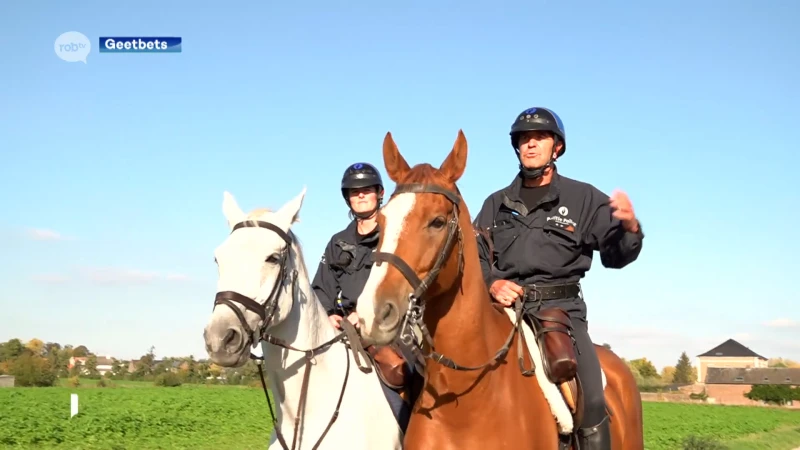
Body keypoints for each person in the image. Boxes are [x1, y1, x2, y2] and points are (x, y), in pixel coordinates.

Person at [472, 107, 644, 449]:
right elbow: (475, 257)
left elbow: (615, 255)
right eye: (524, 139)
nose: (530, 145)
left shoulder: (584, 198)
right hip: (504, 311)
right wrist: (491, 281)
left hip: (561, 312)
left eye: (539, 138)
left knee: (591, 395)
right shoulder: (495, 204)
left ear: (557, 148)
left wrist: (629, 229)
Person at [311, 162, 416, 432]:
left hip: (390, 328)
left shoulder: (395, 235)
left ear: (380, 193)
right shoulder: (338, 241)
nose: (360, 195)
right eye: (354, 191)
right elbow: (321, 288)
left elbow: (408, 284)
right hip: (343, 331)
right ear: (347, 197)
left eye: (366, 190)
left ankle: (410, 433)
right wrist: (329, 315)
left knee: (399, 376)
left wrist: (368, 313)